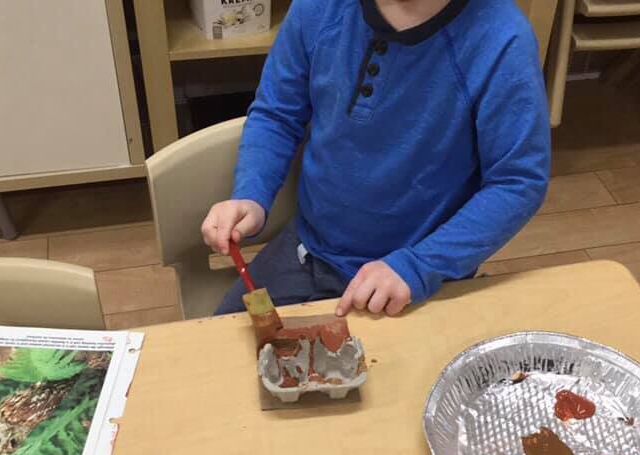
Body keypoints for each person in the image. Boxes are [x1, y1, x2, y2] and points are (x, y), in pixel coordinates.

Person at [204, 0, 551, 318]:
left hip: (422, 277)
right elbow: (277, 114)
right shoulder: (318, 8)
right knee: (218, 362)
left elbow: (517, 182)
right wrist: (251, 193)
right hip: (309, 250)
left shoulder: (503, 38)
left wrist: (418, 267)